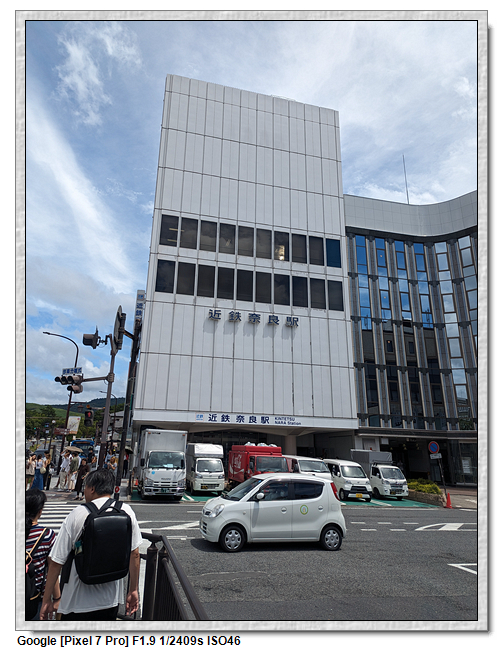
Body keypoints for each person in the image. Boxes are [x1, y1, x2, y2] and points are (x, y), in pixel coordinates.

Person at [40, 469, 142, 621]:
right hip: (110, 600)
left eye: (85, 487)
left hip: (76, 601)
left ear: (92, 488)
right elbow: (135, 554)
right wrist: (133, 590)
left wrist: (47, 599)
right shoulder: (126, 511)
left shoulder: (77, 514)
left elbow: (56, 562)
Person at [26, 489, 60, 620]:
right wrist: (57, 598)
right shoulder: (47, 535)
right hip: (34, 598)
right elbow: (53, 569)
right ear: (40, 511)